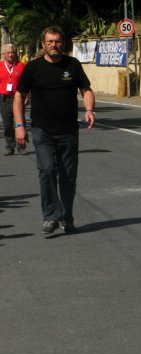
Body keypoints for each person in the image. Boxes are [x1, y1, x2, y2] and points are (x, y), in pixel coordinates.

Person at [13, 25, 96, 234]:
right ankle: (50, 217)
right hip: (42, 130)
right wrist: (19, 125)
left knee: (68, 176)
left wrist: (89, 109)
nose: (54, 44)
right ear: (43, 44)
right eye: (50, 41)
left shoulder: (73, 65)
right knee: (47, 171)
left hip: (68, 130)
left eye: (57, 41)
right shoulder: (33, 68)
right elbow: (19, 97)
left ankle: (67, 217)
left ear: (63, 43)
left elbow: (86, 90)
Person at [1, 44, 26, 155]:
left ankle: (21, 146)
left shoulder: (21, 66)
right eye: (8, 53)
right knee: (7, 124)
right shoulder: (0, 66)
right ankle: (9, 146)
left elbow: (27, 84)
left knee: (20, 122)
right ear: (4, 55)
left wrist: (27, 96)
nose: (11, 54)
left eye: (12, 52)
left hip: (18, 98)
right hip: (4, 99)